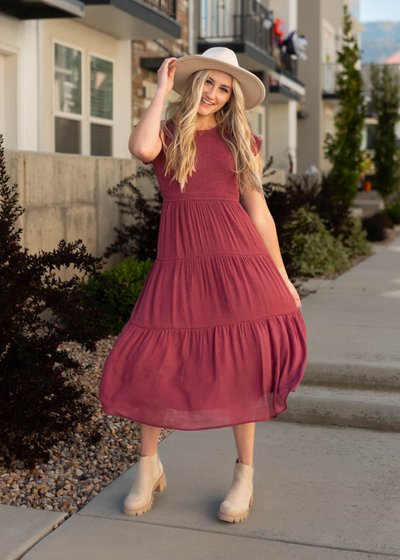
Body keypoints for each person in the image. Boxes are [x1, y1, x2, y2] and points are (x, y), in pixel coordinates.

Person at [98, 47, 307, 524]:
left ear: (232, 96)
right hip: (179, 264)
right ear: (194, 84)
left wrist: (281, 275)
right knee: (153, 360)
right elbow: (140, 149)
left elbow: (258, 213)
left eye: (224, 88)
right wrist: (160, 91)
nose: (214, 93)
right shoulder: (169, 133)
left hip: (238, 263)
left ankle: (243, 476)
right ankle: (148, 467)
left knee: (244, 362)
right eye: (208, 83)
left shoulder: (241, 142)